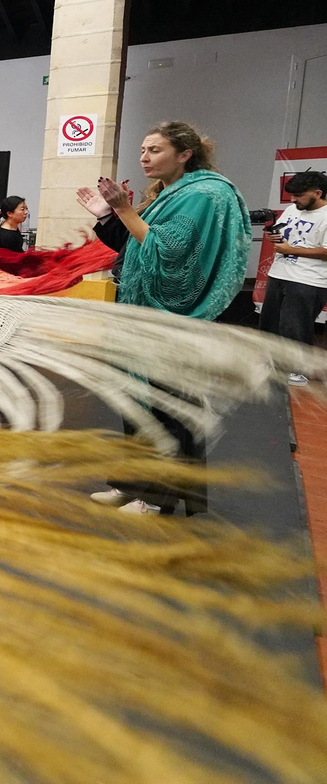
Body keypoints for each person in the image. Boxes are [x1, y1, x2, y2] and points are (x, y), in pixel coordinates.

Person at [79, 121, 249, 516]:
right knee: (139, 406)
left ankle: (156, 499)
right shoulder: (171, 192)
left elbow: (168, 254)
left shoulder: (204, 194)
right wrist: (107, 217)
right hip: (144, 316)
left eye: (154, 150)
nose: (144, 158)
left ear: (185, 154)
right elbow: (135, 246)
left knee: (165, 410)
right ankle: (132, 485)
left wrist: (123, 208)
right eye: (142, 150)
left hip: (172, 318)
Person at [259, 170, 327, 385]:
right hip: (279, 274)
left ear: (317, 193)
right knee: (270, 323)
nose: (293, 200)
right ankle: (274, 363)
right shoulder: (292, 210)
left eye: (298, 196)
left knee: (295, 326)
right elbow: (282, 237)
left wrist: (291, 250)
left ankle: (299, 370)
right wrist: (274, 237)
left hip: (308, 280)